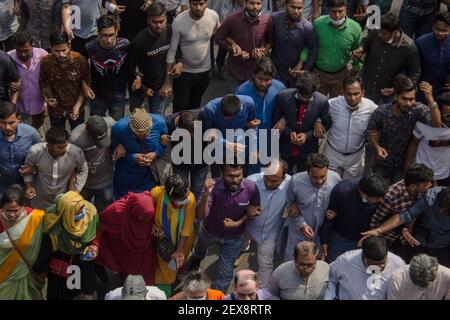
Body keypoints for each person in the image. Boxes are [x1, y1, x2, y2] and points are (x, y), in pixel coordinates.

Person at [186, 164, 260, 293]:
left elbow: (254, 211)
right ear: (221, 173)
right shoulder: (211, 187)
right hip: (208, 232)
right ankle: (195, 264)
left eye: (238, 175)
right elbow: (201, 215)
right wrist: (205, 195)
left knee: (225, 275)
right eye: (230, 176)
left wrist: (238, 223)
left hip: (234, 239)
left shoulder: (251, 188)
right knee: (197, 253)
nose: (235, 179)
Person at [367, 75, 440, 185]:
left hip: (401, 167)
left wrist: (430, 99)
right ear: (396, 96)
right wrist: (377, 147)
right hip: (380, 165)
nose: (408, 103)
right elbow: (371, 134)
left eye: (411, 99)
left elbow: (436, 124)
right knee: (375, 194)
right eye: (404, 99)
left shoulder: (417, 110)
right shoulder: (381, 112)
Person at [362, 186, 450, 268]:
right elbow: (404, 216)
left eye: (447, 213)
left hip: (445, 247)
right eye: (442, 210)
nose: (444, 214)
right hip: (421, 242)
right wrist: (378, 230)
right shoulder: (428, 199)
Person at [34, 191, 99, 300]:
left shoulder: (90, 213)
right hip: (62, 269)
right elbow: (45, 251)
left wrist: (94, 246)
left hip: (80, 265)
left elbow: (96, 234)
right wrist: (41, 271)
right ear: (65, 211)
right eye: (76, 212)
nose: (81, 213)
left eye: (81, 208)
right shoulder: (52, 223)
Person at [317, 75, 378, 179]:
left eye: (356, 94)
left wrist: (377, 133)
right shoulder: (332, 104)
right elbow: (317, 111)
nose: (353, 98)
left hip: (355, 158)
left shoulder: (372, 108)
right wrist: (317, 121)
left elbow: (382, 121)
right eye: (349, 94)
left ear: (363, 93)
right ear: (343, 93)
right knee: (329, 186)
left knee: (350, 189)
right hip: (332, 154)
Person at [369, 164, 434, 261]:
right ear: (413, 186)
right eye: (425, 185)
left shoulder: (424, 192)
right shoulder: (391, 196)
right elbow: (376, 220)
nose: (430, 186)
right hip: (390, 239)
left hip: (409, 237)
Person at [128, 2, 182, 115]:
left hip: (160, 87)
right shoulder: (138, 42)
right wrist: (143, 88)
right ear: (148, 20)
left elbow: (178, 49)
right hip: (140, 89)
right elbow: (130, 68)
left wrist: (180, 62)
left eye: (161, 21)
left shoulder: (171, 31)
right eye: (155, 22)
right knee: (137, 123)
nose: (158, 26)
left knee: (157, 121)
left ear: (166, 18)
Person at [165, 0, 220, 112]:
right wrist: (167, 81)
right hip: (184, 74)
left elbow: (218, 33)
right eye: (195, 4)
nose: (198, 7)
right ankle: (177, 129)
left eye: (201, 4)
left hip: (204, 72)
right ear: (189, 3)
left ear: (206, 3)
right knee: (180, 106)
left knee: (195, 105)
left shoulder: (213, 16)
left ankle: (191, 129)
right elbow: (171, 51)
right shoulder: (179, 22)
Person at [319, 174, 388, 263]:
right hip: (340, 239)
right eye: (377, 199)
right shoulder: (342, 191)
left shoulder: (378, 193)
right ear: (364, 194)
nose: (382, 201)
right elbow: (329, 217)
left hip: (364, 240)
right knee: (333, 267)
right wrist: (324, 241)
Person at [284, 153, 341, 260]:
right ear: (307, 172)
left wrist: (336, 212)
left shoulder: (336, 179)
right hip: (299, 231)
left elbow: (339, 201)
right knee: (293, 260)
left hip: (323, 234)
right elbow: (289, 203)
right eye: (314, 177)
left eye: (323, 177)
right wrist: (301, 224)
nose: (319, 181)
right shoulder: (296, 181)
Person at [236, 57, 286, 175]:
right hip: (250, 138)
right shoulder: (242, 92)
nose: (263, 83)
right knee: (252, 174)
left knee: (269, 171)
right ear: (253, 75)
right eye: (260, 79)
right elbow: (234, 119)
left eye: (267, 79)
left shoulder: (280, 88)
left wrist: (283, 120)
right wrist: (247, 124)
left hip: (272, 137)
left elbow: (287, 109)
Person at [95, 191, 157, 285]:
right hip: (125, 253)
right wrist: (95, 245)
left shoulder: (150, 211)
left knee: (148, 283)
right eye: (142, 218)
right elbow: (100, 226)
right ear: (134, 210)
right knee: (128, 282)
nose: (145, 221)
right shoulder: (116, 211)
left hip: (145, 255)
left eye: (147, 218)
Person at [246, 159, 291, 288]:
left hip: (269, 233)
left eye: (274, 180)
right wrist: (247, 208)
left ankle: (263, 294)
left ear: (283, 178)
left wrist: (294, 204)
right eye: (267, 178)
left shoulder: (291, 184)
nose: (269, 183)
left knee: (265, 266)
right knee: (238, 247)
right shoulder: (251, 182)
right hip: (247, 228)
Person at [272, 72, 329, 174]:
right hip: (286, 148)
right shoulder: (283, 96)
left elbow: (327, 124)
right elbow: (276, 118)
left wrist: (307, 135)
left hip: (308, 150)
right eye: (301, 95)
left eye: (308, 96)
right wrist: (289, 132)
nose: (304, 99)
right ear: (297, 89)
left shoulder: (322, 101)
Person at [359, 13, 421, 105]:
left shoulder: (408, 47)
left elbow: (415, 72)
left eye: (384, 33)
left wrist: (398, 89)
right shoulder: (375, 33)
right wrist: (361, 49)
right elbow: (366, 43)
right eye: (379, 31)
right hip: (367, 86)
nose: (379, 35)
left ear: (395, 32)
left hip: (387, 94)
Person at [151, 174, 196, 295]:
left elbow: (187, 227)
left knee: (179, 261)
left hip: (184, 239)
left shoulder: (190, 199)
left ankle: (180, 272)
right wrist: (153, 225)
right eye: (181, 200)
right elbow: (148, 210)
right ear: (170, 197)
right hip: (164, 240)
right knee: (166, 269)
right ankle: (164, 292)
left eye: (187, 192)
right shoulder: (156, 193)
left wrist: (180, 250)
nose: (187, 198)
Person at [23, 126, 88, 210]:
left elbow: (83, 170)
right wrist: (29, 186)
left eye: (66, 146)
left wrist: (76, 191)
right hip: (39, 200)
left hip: (63, 200)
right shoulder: (35, 152)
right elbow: (26, 170)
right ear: (48, 146)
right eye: (60, 147)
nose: (64, 150)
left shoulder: (75, 153)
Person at [324, 236, 405, 300]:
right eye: (375, 265)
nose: (380, 267)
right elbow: (331, 279)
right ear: (364, 257)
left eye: (383, 263)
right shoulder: (346, 260)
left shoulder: (398, 265)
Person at [0, 185, 45, 300]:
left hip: (27, 273)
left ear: (23, 206)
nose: (11, 214)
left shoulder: (35, 219)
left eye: (16, 210)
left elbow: (45, 245)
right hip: (3, 275)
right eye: (7, 210)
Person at [111, 108, 168, 199]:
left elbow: (165, 142)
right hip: (126, 176)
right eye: (137, 135)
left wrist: (156, 153)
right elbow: (113, 152)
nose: (142, 138)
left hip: (149, 177)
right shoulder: (119, 128)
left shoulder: (159, 122)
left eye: (146, 134)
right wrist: (133, 157)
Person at [215, 0, 273, 89]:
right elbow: (219, 37)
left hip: (257, 73)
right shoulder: (232, 19)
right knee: (236, 100)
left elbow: (270, 41)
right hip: (235, 72)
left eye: (258, 4)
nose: (255, 7)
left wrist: (263, 51)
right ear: (245, 3)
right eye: (252, 3)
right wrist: (232, 48)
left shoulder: (267, 21)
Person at [39, 31, 91, 130]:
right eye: (57, 51)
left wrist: (77, 106)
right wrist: (47, 99)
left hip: (76, 108)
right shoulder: (46, 61)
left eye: (64, 50)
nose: (61, 54)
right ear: (51, 47)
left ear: (69, 46)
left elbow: (86, 85)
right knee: (58, 139)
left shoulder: (80, 60)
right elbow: (42, 82)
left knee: (77, 136)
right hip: (56, 109)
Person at [313, 0, 362, 98]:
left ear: (346, 10)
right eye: (333, 11)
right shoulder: (318, 24)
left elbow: (357, 51)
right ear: (328, 10)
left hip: (340, 76)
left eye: (340, 11)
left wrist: (356, 69)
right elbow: (309, 47)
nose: (337, 15)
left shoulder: (355, 28)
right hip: (318, 74)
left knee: (337, 106)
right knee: (317, 103)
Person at [85, 14, 129, 121]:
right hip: (98, 94)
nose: (108, 39)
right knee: (96, 125)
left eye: (111, 35)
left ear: (117, 31)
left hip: (118, 92)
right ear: (98, 33)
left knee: (117, 126)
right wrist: (85, 86)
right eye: (104, 35)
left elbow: (132, 64)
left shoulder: (125, 45)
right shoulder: (90, 47)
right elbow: (82, 68)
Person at [200, 94, 257, 177]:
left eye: (230, 117)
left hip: (241, 147)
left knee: (239, 177)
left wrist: (254, 148)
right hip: (218, 148)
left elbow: (253, 126)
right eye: (223, 115)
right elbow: (209, 133)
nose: (226, 119)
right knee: (217, 179)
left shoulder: (249, 103)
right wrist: (226, 144)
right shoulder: (210, 109)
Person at [69, 116, 116, 213]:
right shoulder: (75, 139)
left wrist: (121, 145)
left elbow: (122, 133)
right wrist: (73, 189)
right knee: (82, 214)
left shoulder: (111, 123)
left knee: (105, 213)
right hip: (84, 185)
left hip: (105, 181)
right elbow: (72, 166)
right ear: (87, 131)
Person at [405, 92, 450, 186]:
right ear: (439, 112)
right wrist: (409, 166)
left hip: (445, 174)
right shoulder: (424, 125)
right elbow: (414, 143)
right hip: (423, 173)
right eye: (448, 116)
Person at [271, 0, 317, 88]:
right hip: (276, 73)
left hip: (295, 76)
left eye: (299, 8)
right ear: (285, 5)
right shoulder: (275, 19)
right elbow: (268, 40)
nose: (296, 11)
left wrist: (305, 70)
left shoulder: (307, 27)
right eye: (293, 7)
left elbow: (312, 49)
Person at [7, 31, 47, 131]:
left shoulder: (43, 55)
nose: (23, 54)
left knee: (38, 126)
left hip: (39, 103)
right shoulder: (8, 58)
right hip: (19, 105)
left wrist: (47, 102)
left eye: (26, 50)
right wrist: (9, 84)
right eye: (19, 51)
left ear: (32, 45)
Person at [164, 110, 208, 199]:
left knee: (197, 189)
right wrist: (161, 139)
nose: (194, 134)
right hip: (180, 165)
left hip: (200, 164)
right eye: (191, 133)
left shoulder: (204, 117)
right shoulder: (167, 123)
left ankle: (193, 207)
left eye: (196, 131)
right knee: (180, 189)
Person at [0, 101, 41, 198]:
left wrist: (34, 168)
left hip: (30, 185)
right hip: (3, 185)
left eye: (11, 123)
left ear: (18, 120)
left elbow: (42, 156)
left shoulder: (31, 133)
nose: (7, 127)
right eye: (2, 123)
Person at [415, 11, 450, 104]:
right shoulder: (421, 42)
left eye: (445, 30)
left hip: (445, 95)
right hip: (422, 92)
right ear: (433, 26)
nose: (440, 33)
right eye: (437, 29)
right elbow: (412, 68)